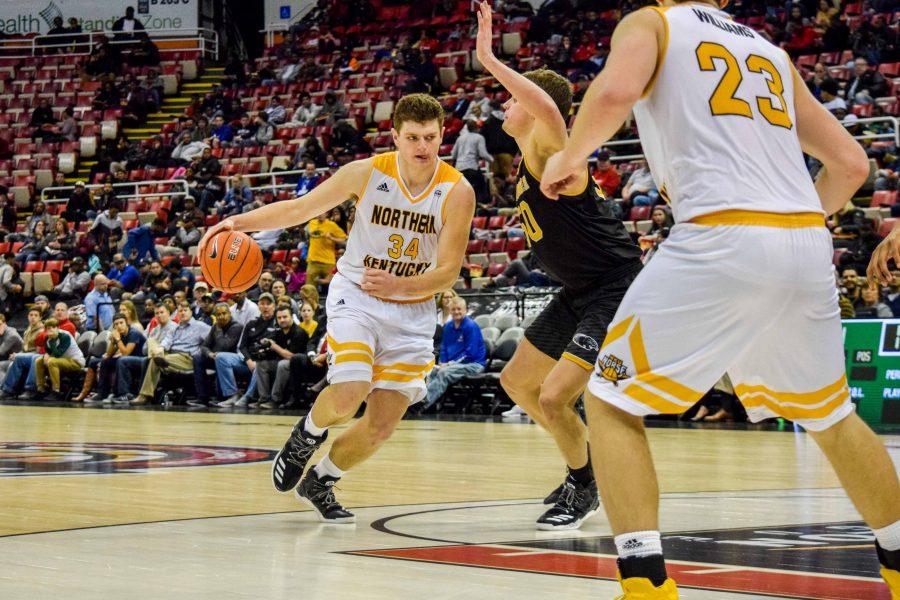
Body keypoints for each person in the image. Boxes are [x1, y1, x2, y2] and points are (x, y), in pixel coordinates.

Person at [540, 1, 900, 597]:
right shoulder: (771, 53)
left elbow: (611, 95)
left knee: (608, 400)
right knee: (832, 416)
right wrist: (790, 227)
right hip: (806, 242)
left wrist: (569, 158)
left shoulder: (653, 22)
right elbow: (851, 163)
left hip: (720, 233)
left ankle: (645, 586)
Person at [200, 93, 475, 522]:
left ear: (442, 134)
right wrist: (237, 223)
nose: (422, 146)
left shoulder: (457, 191)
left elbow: (447, 273)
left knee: (382, 424)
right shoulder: (366, 173)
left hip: (414, 312)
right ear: (395, 137)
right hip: (358, 295)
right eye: (412, 137)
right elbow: (298, 208)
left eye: (431, 137)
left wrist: (401, 284)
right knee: (350, 391)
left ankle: (321, 480)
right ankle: (306, 435)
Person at [476, 2, 643, 531]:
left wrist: (487, 54)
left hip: (616, 285)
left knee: (554, 396)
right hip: (579, 289)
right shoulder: (528, 165)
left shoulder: (556, 151)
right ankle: (583, 475)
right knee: (518, 383)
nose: (506, 103)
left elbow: (548, 108)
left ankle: (583, 485)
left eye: (513, 97)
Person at [131, 302, 210, 406]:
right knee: (153, 346)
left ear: (191, 312)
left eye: (185, 310)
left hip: (187, 358)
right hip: (171, 355)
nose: (182, 313)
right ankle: (157, 359)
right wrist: (160, 349)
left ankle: (144, 395)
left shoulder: (200, 326)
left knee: (155, 361)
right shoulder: (175, 328)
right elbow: (166, 342)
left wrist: (208, 352)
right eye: (180, 311)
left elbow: (213, 337)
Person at [421, 297, 486, 410]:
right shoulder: (448, 326)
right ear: (450, 310)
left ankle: (424, 403)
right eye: (454, 309)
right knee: (431, 371)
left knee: (444, 372)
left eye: (459, 309)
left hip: (474, 364)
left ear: (465, 310)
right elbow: (444, 347)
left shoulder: (471, 326)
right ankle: (424, 400)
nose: (456, 312)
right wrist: (442, 362)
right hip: (453, 364)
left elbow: (470, 353)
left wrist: (449, 364)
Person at [114, 303, 176, 403]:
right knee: (123, 360)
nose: (159, 315)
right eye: (157, 313)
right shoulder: (155, 329)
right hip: (149, 355)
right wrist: (151, 346)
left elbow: (166, 346)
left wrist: (155, 347)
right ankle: (124, 394)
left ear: (168, 313)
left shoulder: (174, 327)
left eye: (162, 312)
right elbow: (144, 348)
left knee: (145, 360)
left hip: (165, 357)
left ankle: (142, 395)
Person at [83, 313, 146, 403]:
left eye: (121, 323)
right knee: (104, 361)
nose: (119, 326)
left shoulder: (133, 333)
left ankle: (125, 394)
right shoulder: (120, 334)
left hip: (141, 360)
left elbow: (126, 353)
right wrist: (113, 341)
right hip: (127, 360)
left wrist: (118, 340)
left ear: (126, 323)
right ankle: (102, 393)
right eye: (116, 324)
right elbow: (108, 354)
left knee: (121, 360)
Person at [190, 302, 243, 407]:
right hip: (215, 357)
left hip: (232, 361)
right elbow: (204, 346)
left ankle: (222, 397)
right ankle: (202, 397)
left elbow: (224, 346)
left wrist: (218, 329)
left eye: (224, 313)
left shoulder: (236, 326)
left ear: (230, 313)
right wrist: (209, 353)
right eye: (218, 314)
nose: (221, 317)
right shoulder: (215, 326)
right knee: (197, 358)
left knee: (220, 358)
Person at [255, 306, 307, 409]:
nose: (282, 320)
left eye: (285, 317)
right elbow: (270, 345)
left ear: (291, 317)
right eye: (279, 318)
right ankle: (264, 398)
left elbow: (291, 356)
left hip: (298, 366)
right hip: (280, 362)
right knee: (261, 364)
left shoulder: (299, 332)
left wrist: (274, 346)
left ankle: (275, 399)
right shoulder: (279, 332)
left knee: (283, 364)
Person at [33, 318, 84, 401]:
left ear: (58, 327)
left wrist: (53, 341)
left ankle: (56, 391)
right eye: (48, 328)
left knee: (52, 361)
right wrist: (46, 354)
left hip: (75, 361)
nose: (50, 330)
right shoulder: (47, 338)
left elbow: (58, 354)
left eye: (53, 328)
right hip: (61, 361)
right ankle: (41, 389)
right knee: (38, 360)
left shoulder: (65, 336)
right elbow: (48, 351)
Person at [451, 120, 493, 204]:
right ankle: (483, 205)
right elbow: (483, 154)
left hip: (459, 169)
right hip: (471, 168)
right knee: (482, 188)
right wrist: (492, 160)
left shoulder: (460, 138)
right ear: (477, 128)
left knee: (463, 193)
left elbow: (453, 155)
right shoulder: (479, 137)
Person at [305, 211, 346, 288]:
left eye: (322, 212)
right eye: (318, 212)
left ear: (326, 213)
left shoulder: (332, 225)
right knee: (308, 289)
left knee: (334, 287)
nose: (320, 214)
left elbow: (344, 239)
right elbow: (305, 232)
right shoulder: (311, 223)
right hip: (313, 261)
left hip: (328, 262)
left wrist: (331, 238)